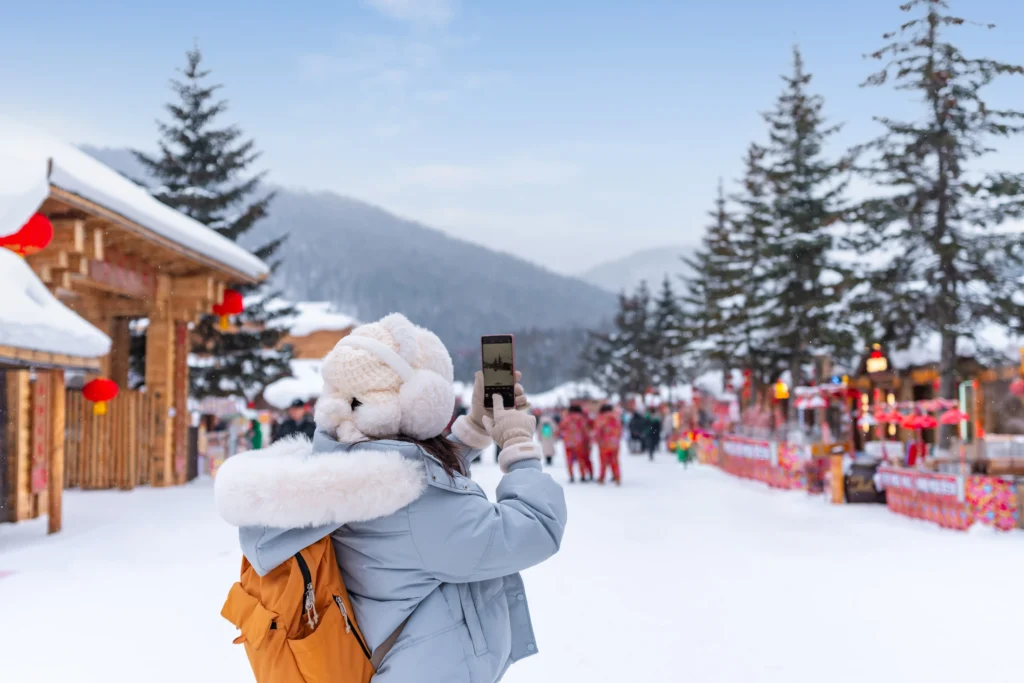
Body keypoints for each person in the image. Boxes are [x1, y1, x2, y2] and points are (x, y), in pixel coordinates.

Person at [215, 313, 566, 683]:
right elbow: (534, 529)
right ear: (423, 400)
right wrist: (520, 448)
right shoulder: (414, 506)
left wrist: (472, 431)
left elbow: (417, 492)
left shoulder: (338, 470)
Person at [559, 404, 592, 482]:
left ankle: (571, 476)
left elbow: (559, 429)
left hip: (568, 442)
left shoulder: (566, 419)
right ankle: (582, 475)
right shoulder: (581, 419)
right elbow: (585, 431)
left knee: (569, 460)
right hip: (579, 442)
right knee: (581, 459)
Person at [592, 404, 622, 485]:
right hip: (615, 443)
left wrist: (596, 440)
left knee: (603, 461)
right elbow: (620, 430)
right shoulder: (616, 417)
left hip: (604, 443)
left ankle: (602, 478)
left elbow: (597, 431)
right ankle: (617, 477)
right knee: (615, 460)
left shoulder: (601, 418)